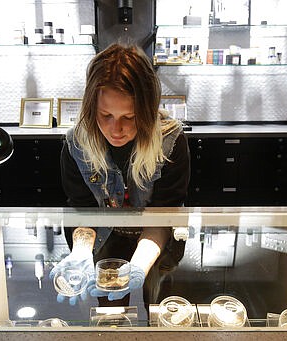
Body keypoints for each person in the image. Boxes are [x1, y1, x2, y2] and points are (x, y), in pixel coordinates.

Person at [50, 43, 190, 309]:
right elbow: (83, 211)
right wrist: (81, 252)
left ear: (148, 111)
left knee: (156, 308)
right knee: (106, 312)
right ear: (92, 107)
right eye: (106, 115)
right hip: (104, 241)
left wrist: (138, 265)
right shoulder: (77, 144)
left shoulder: (170, 141)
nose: (117, 129)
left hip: (155, 245)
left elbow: (163, 214)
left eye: (130, 116)